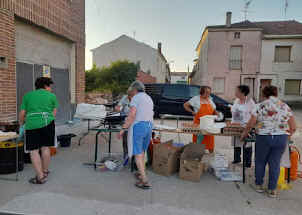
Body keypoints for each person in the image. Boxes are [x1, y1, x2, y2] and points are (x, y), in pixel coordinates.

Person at [241, 86, 296, 198]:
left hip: (264, 137)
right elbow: (293, 127)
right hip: (281, 138)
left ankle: (259, 185)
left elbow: (251, 124)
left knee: (260, 161)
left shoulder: (260, 105)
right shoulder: (285, 106)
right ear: (276, 93)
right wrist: (287, 136)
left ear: (264, 94)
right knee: (275, 164)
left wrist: (244, 134)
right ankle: (272, 190)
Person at [19, 77, 59, 184]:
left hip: (32, 124)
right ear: (46, 86)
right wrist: (49, 121)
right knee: (45, 148)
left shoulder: (28, 95)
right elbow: (54, 112)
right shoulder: (52, 96)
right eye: (50, 86)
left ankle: (40, 177)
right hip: (48, 123)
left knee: (34, 151)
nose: (51, 89)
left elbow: (22, 113)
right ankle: (45, 171)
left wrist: (21, 124)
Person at [119, 81, 153, 190]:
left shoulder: (136, 98)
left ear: (134, 89)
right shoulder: (148, 97)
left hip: (139, 126)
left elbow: (132, 115)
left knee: (138, 154)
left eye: (131, 90)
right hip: (149, 126)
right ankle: (140, 172)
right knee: (142, 152)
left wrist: (123, 129)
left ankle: (145, 181)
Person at [184, 86, 218, 153]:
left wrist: (216, 114)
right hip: (199, 125)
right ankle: (197, 157)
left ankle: (211, 157)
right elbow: (185, 105)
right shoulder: (196, 99)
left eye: (209, 92)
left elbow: (213, 109)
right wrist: (192, 112)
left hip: (209, 125)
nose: (208, 94)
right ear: (202, 92)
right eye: (207, 92)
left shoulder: (210, 99)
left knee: (210, 143)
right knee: (198, 143)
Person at [230, 85, 256, 166]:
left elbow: (254, 115)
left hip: (246, 126)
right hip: (235, 125)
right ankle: (237, 159)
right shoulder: (236, 100)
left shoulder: (250, 102)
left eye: (237, 91)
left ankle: (247, 162)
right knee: (236, 143)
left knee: (247, 144)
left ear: (242, 92)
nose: (235, 92)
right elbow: (233, 111)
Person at [115, 89, 134, 158]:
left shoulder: (136, 99)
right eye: (128, 95)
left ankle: (133, 155)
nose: (129, 97)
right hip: (124, 119)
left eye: (131, 95)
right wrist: (117, 108)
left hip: (133, 120)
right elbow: (118, 106)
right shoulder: (124, 97)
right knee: (125, 137)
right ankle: (125, 154)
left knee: (132, 138)